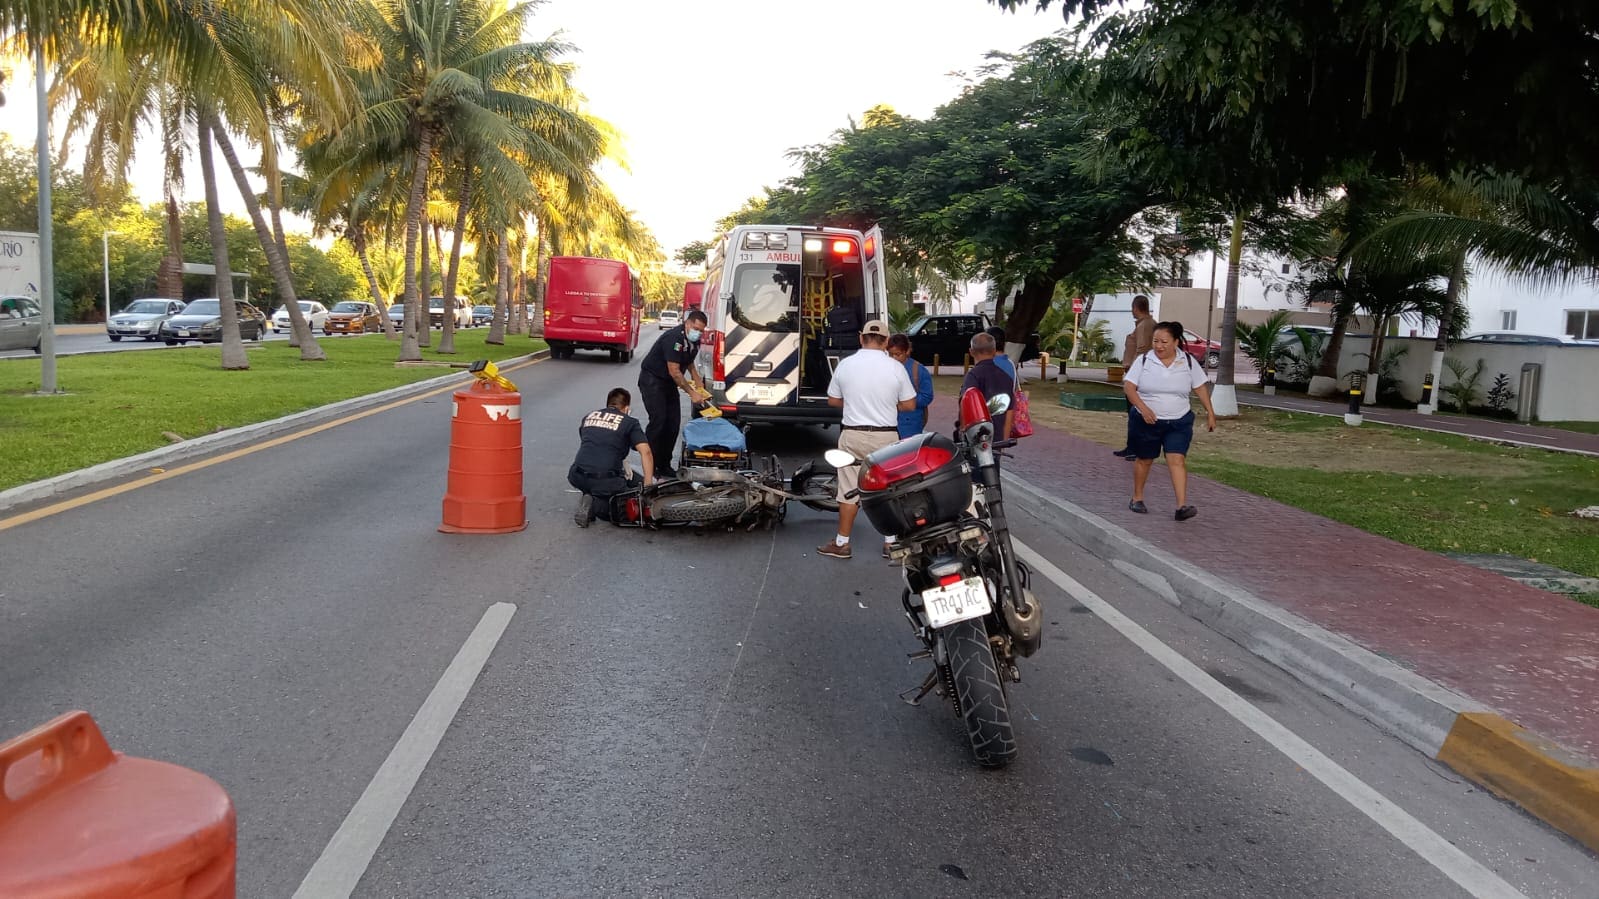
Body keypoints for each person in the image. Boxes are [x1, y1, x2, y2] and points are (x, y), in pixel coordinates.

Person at [819, 320, 917, 561]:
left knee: (849, 489)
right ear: (885, 341)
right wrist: (886, 404)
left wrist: (854, 401)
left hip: (853, 434)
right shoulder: (895, 368)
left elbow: (833, 399)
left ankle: (842, 543)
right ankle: (891, 543)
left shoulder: (846, 365)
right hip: (887, 436)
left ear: (861, 338)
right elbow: (910, 404)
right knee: (889, 488)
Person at [1123, 320, 1218, 521]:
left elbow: (1200, 387)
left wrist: (1210, 412)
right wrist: (1143, 408)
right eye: (1155, 341)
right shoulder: (1144, 360)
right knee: (1145, 459)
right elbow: (1129, 387)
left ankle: (1181, 506)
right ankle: (1137, 498)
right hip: (1147, 421)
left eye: (1164, 342)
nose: (1159, 346)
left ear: (1175, 342)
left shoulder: (1188, 361)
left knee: (1177, 459)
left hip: (1179, 421)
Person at [638, 308, 710, 479]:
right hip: (653, 380)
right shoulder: (674, 338)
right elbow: (675, 371)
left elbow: (689, 360)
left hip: (669, 382)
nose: (698, 333)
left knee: (672, 424)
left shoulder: (695, 341)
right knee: (659, 421)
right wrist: (692, 393)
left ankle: (664, 464)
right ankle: (650, 464)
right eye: (696, 328)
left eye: (701, 330)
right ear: (688, 323)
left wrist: (696, 377)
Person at [568, 387, 655, 527]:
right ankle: (595, 506)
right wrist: (649, 485)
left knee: (632, 479)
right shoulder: (629, 422)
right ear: (626, 408)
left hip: (576, 475)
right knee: (630, 510)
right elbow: (646, 452)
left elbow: (591, 444)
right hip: (604, 479)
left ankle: (589, 493)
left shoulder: (589, 416)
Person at [1114, 295, 1157, 459]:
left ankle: (1136, 449)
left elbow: (1142, 349)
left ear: (1135, 308)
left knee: (1135, 412)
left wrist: (1133, 371)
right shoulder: (1143, 324)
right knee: (1132, 413)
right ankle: (1131, 446)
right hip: (1135, 372)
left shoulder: (1146, 325)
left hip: (1138, 375)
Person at [962, 332, 1016, 439]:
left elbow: (965, 404)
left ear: (971, 352)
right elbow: (1009, 410)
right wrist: (1004, 439)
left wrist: (963, 430)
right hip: (998, 435)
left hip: (977, 437)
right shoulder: (1006, 376)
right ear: (994, 351)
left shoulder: (973, 375)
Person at [887, 333, 934, 439]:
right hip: (888, 421)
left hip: (910, 423)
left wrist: (907, 400)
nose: (894, 358)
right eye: (891, 354)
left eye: (898, 354)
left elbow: (927, 396)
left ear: (907, 351)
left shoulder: (918, 370)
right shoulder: (885, 368)